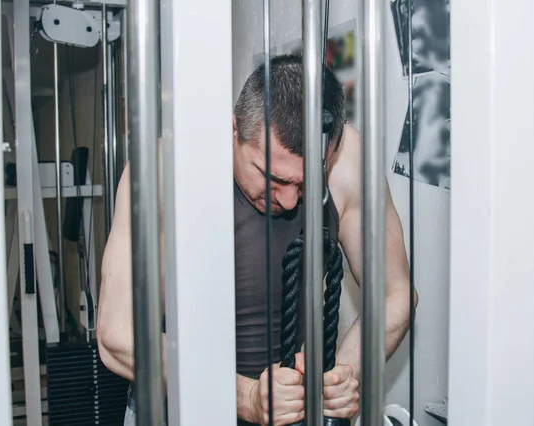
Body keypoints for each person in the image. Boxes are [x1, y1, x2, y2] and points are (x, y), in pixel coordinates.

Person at [97, 54, 417, 426]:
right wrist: (245, 397)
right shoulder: (165, 169)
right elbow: (117, 336)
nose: (288, 200)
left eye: (305, 182)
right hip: (179, 407)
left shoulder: (348, 161)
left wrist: (340, 375)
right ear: (234, 130)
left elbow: (396, 295)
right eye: (273, 178)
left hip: (288, 412)